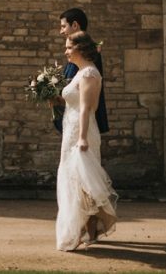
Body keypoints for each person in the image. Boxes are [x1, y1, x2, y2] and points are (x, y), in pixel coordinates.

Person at [55, 31, 118, 251]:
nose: (66, 51)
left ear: (80, 49)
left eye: (69, 47)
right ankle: (81, 232)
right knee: (72, 181)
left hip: (82, 132)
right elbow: (72, 103)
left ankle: (81, 232)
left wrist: (82, 138)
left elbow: (86, 108)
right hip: (70, 129)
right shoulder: (80, 73)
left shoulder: (90, 73)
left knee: (83, 183)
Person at [54, 8, 108, 134]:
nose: (61, 31)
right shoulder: (76, 52)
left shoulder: (88, 55)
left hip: (81, 120)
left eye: (63, 26)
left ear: (75, 25)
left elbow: (84, 93)